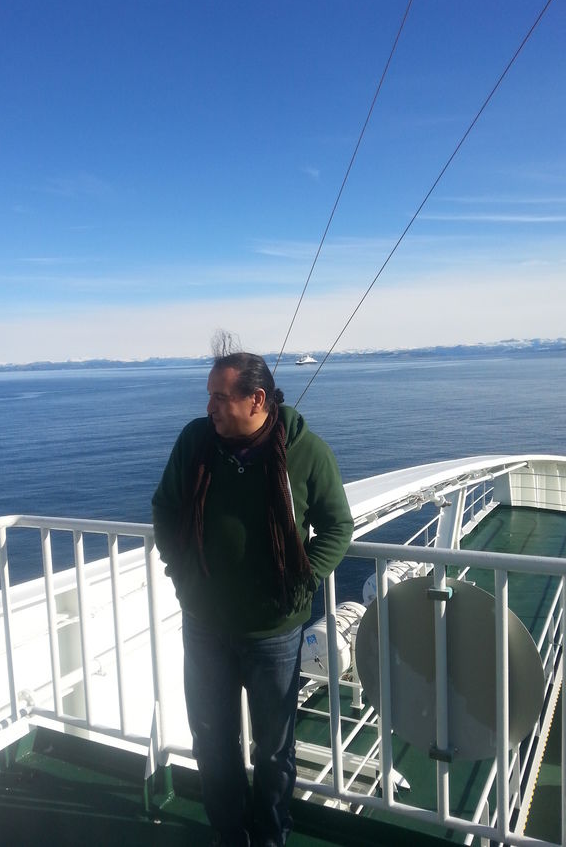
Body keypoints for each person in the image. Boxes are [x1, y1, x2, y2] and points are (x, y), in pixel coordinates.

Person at [151, 351, 353, 847]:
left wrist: (300, 584)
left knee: (274, 749)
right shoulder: (196, 442)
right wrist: (183, 577)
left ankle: (269, 836)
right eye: (209, 396)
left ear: (256, 399)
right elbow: (166, 509)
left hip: (274, 633)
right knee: (212, 741)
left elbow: (337, 527)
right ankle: (229, 833)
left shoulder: (305, 451)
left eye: (220, 397)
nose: (210, 407)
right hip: (205, 625)